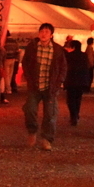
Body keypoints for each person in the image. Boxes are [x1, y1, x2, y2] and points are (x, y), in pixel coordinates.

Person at [21, 22, 66, 150]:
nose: (43, 34)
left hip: (50, 87)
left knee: (50, 114)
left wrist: (58, 82)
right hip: (34, 86)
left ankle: (47, 139)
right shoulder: (32, 47)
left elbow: (63, 67)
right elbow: (25, 63)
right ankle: (32, 131)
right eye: (42, 31)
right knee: (29, 109)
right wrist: (29, 79)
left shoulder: (57, 49)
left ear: (51, 35)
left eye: (47, 32)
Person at [63, 39, 89, 126]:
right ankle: (76, 114)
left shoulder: (69, 56)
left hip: (71, 80)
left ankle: (73, 116)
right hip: (81, 81)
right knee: (78, 99)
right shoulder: (84, 55)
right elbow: (87, 68)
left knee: (70, 100)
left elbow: (65, 68)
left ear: (73, 47)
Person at [3, 31, 20, 102]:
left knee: (6, 75)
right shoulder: (14, 41)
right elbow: (17, 51)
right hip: (13, 59)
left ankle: (8, 89)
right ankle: (8, 88)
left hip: (6, 59)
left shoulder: (4, 41)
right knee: (10, 75)